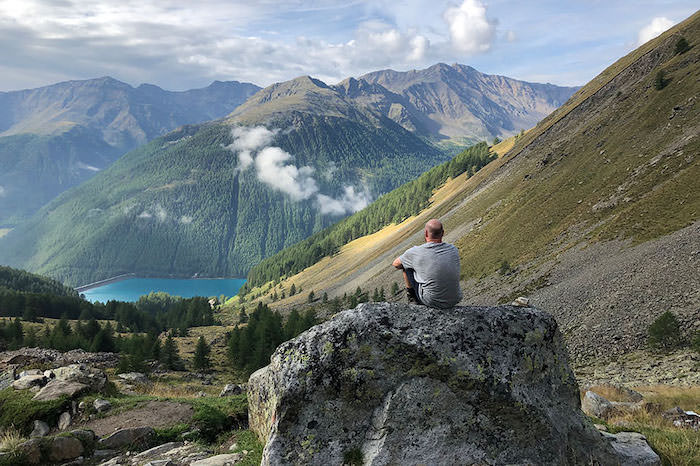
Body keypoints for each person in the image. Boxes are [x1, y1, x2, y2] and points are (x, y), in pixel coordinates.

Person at [392, 219, 462, 309]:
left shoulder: (415, 252)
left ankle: (412, 298)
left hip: (431, 301)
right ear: (443, 233)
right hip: (455, 299)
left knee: (406, 266)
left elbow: (396, 264)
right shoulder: (453, 249)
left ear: (425, 233)